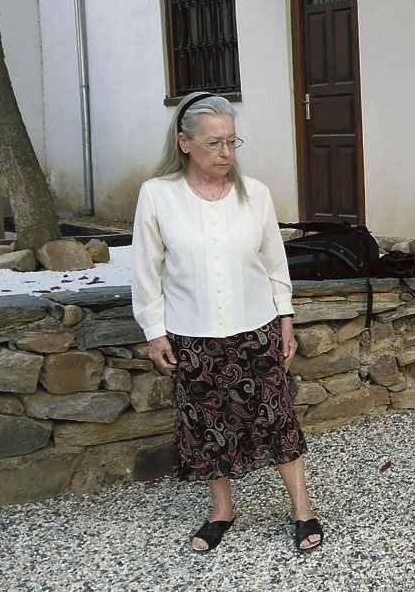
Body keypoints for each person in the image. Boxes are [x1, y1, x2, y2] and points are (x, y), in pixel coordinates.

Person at [131, 92, 323, 554]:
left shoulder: (254, 194)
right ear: (184, 143)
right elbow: (145, 267)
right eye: (214, 142)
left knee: (277, 417)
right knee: (205, 423)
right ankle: (222, 510)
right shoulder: (158, 195)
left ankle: (302, 509)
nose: (225, 153)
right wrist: (153, 331)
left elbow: (275, 263)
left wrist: (286, 319)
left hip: (255, 326)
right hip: (191, 332)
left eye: (232, 142)